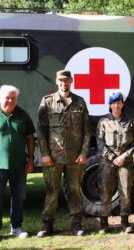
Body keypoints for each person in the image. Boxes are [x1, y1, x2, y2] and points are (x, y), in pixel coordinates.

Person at [0, 85, 35, 244]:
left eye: (13, 98)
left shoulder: (22, 115)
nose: (10, 100)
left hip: (19, 166)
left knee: (19, 197)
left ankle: (16, 227)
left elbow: (30, 138)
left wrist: (31, 159)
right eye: (7, 97)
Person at [37, 70, 90, 237]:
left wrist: (84, 152)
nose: (64, 84)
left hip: (75, 157)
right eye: (61, 81)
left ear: (71, 81)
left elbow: (87, 132)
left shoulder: (80, 103)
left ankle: (76, 224)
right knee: (52, 190)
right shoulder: (47, 102)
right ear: (56, 81)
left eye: (67, 81)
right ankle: (48, 224)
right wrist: (44, 154)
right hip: (53, 156)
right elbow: (41, 130)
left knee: (74, 190)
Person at [96, 92, 134, 234]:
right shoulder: (103, 122)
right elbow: (100, 142)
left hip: (125, 162)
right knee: (106, 192)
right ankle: (104, 223)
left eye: (119, 103)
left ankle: (125, 222)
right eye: (114, 103)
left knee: (126, 191)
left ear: (123, 104)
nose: (116, 105)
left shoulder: (130, 122)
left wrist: (124, 156)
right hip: (107, 162)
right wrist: (112, 157)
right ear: (110, 105)